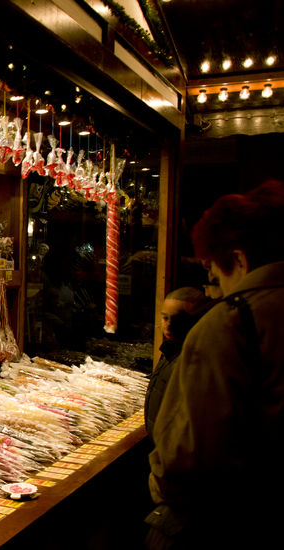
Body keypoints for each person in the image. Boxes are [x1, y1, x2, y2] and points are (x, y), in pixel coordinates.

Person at [146, 180, 284, 549]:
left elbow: (189, 450)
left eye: (215, 271)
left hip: (217, 519)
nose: (213, 285)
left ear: (239, 260)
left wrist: (160, 484)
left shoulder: (231, 321)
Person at [143, 287, 208, 444]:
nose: (169, 326)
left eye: (179, 320)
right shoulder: (169, 350)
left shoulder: (195, 361)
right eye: (165, 318)